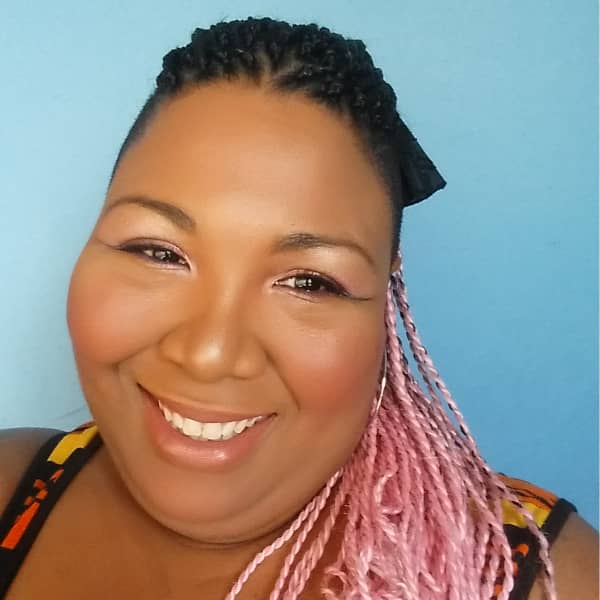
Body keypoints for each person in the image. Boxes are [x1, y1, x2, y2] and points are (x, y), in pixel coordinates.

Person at [0, 16, 596, 600]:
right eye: (158, 251)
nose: (210, 354)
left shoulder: (539, 576)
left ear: (387, 315)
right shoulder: (9, 488)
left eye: (309, 282)